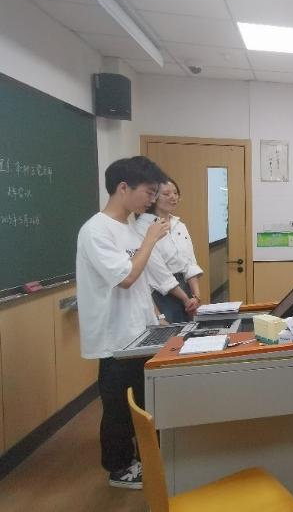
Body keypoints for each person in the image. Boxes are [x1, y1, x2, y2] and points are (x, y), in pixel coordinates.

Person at [76, 156, 170, 489]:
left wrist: (157, 317)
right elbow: (127, 278)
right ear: (123, 188)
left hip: (140, 333)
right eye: (149, 192)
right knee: (118, 407)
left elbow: (141, 282)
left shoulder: (129, 228)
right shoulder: (96, 230)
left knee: (143, 403)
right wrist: (150, 240)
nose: (152, 200)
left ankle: (147, 459)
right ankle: (118, 468)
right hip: (115, 338)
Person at [133, 178, 203, 323]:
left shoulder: (179, 225)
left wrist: (196, 296)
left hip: (185, 290)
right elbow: (159, 272)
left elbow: (190, 263)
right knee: (170, 334)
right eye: (166, 194)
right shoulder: (143, 227)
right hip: (162, 294)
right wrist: (185, 299)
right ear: (153, 198)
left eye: (175, 193)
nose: (173, 197)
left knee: (190, 333)